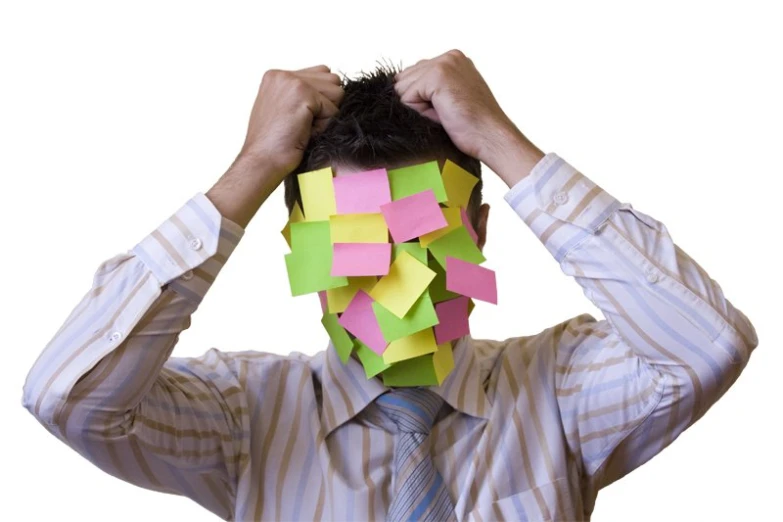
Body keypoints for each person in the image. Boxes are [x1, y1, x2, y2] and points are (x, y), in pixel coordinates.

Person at [21, 49, 758, 521]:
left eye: (423, 236)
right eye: (353, 246)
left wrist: (501, 142)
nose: (398, 284)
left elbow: (707, 344)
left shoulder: (558, 393)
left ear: (478, 229)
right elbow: (66, 396)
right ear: (297, 248)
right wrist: (249, 172)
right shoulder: (243, 419)